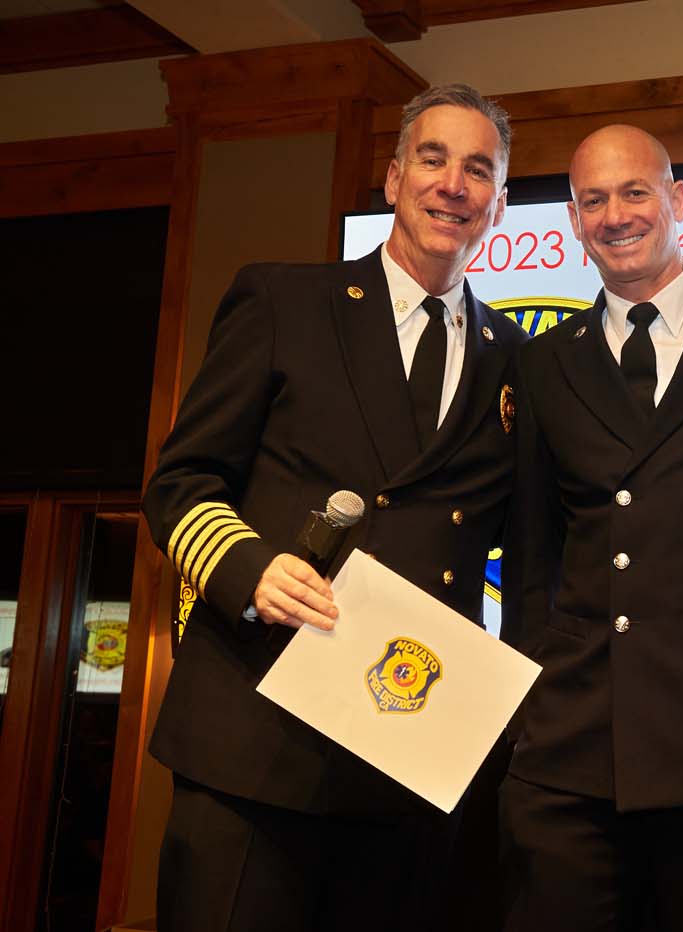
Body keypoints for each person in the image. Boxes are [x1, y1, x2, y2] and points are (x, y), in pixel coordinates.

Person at [141, 84, 525, 932]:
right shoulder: (284, 301)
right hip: (258, 732)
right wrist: (249, 568)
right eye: (433, 159)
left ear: (498, 206)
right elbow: (181, 482)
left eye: (477, 171)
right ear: (392, 179)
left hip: (405, 754)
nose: (452, 185)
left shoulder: (515, 358)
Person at [500, 124, 683, 931]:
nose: (616, 215)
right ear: (571, 219)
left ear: (677, 199)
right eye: (593, 199)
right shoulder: (544, 361)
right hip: (574, 744)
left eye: (635, 191)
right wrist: (526, 716)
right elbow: (532, 557)